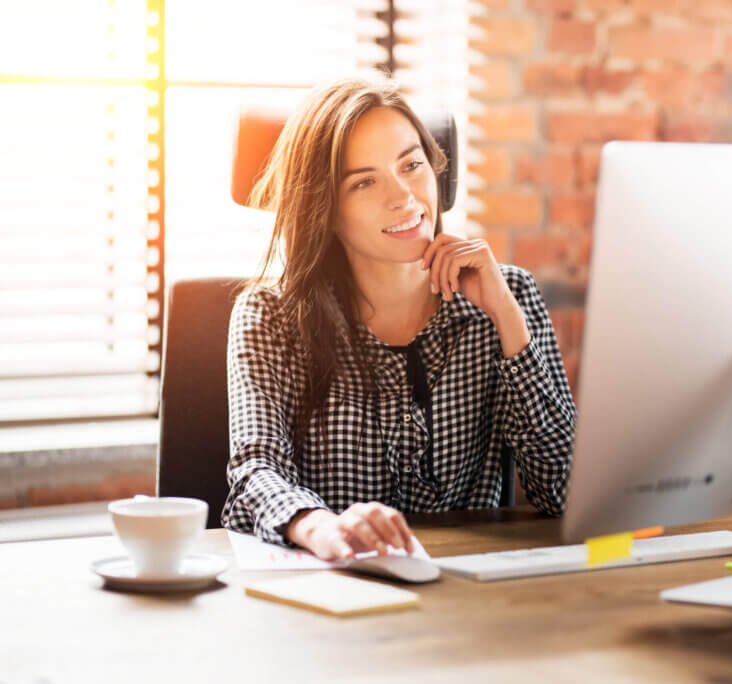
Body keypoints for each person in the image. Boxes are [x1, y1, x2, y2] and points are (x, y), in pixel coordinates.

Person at [222, 78, 576, 561]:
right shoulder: (269, 316)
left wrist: (507, 321)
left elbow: (566, 493)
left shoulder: (508, 295)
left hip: (469, 600)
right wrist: (323, 529)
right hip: (337, 590)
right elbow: (255, 471)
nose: (404, 196)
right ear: (324, 209)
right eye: (364, 181)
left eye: (412, 165)